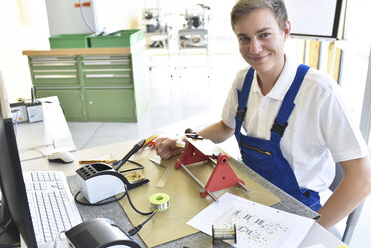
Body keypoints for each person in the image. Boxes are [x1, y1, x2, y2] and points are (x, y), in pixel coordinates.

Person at [155, 0, 371, 229]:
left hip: (299, 210)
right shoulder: (243, 80)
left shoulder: (321, 92)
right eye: (244, 38)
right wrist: (183, 141)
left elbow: (362, 178)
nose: (254, 48)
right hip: (250, 192)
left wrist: (310, 232)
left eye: (264, 35)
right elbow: (225, 127)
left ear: (285, 30)